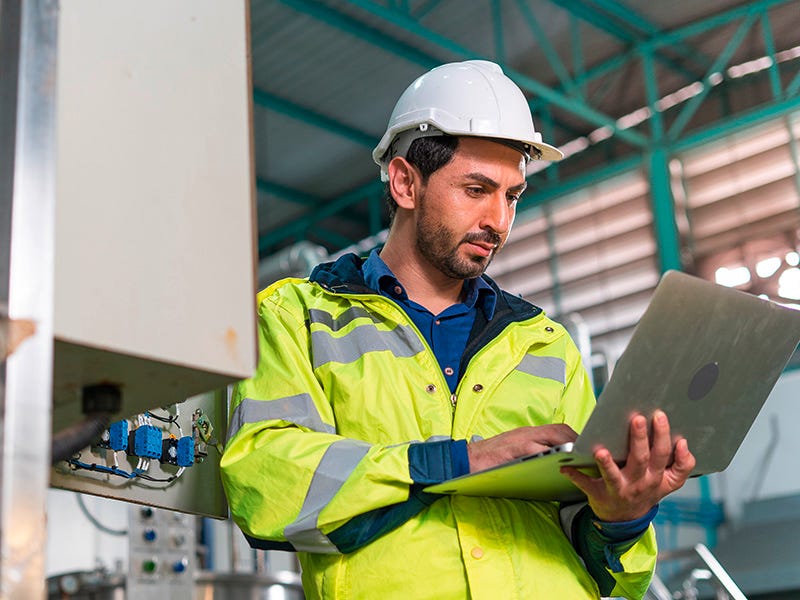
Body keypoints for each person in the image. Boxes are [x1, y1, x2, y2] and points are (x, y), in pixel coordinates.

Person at [220, 60, 696, 599]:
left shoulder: (544, 345)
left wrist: (621, 516)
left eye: (512, 195)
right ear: (405, 182)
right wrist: (461, 461)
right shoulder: (297, 318)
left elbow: (612, 569)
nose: (499, 221)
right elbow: (264, 483)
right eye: (476, 189)